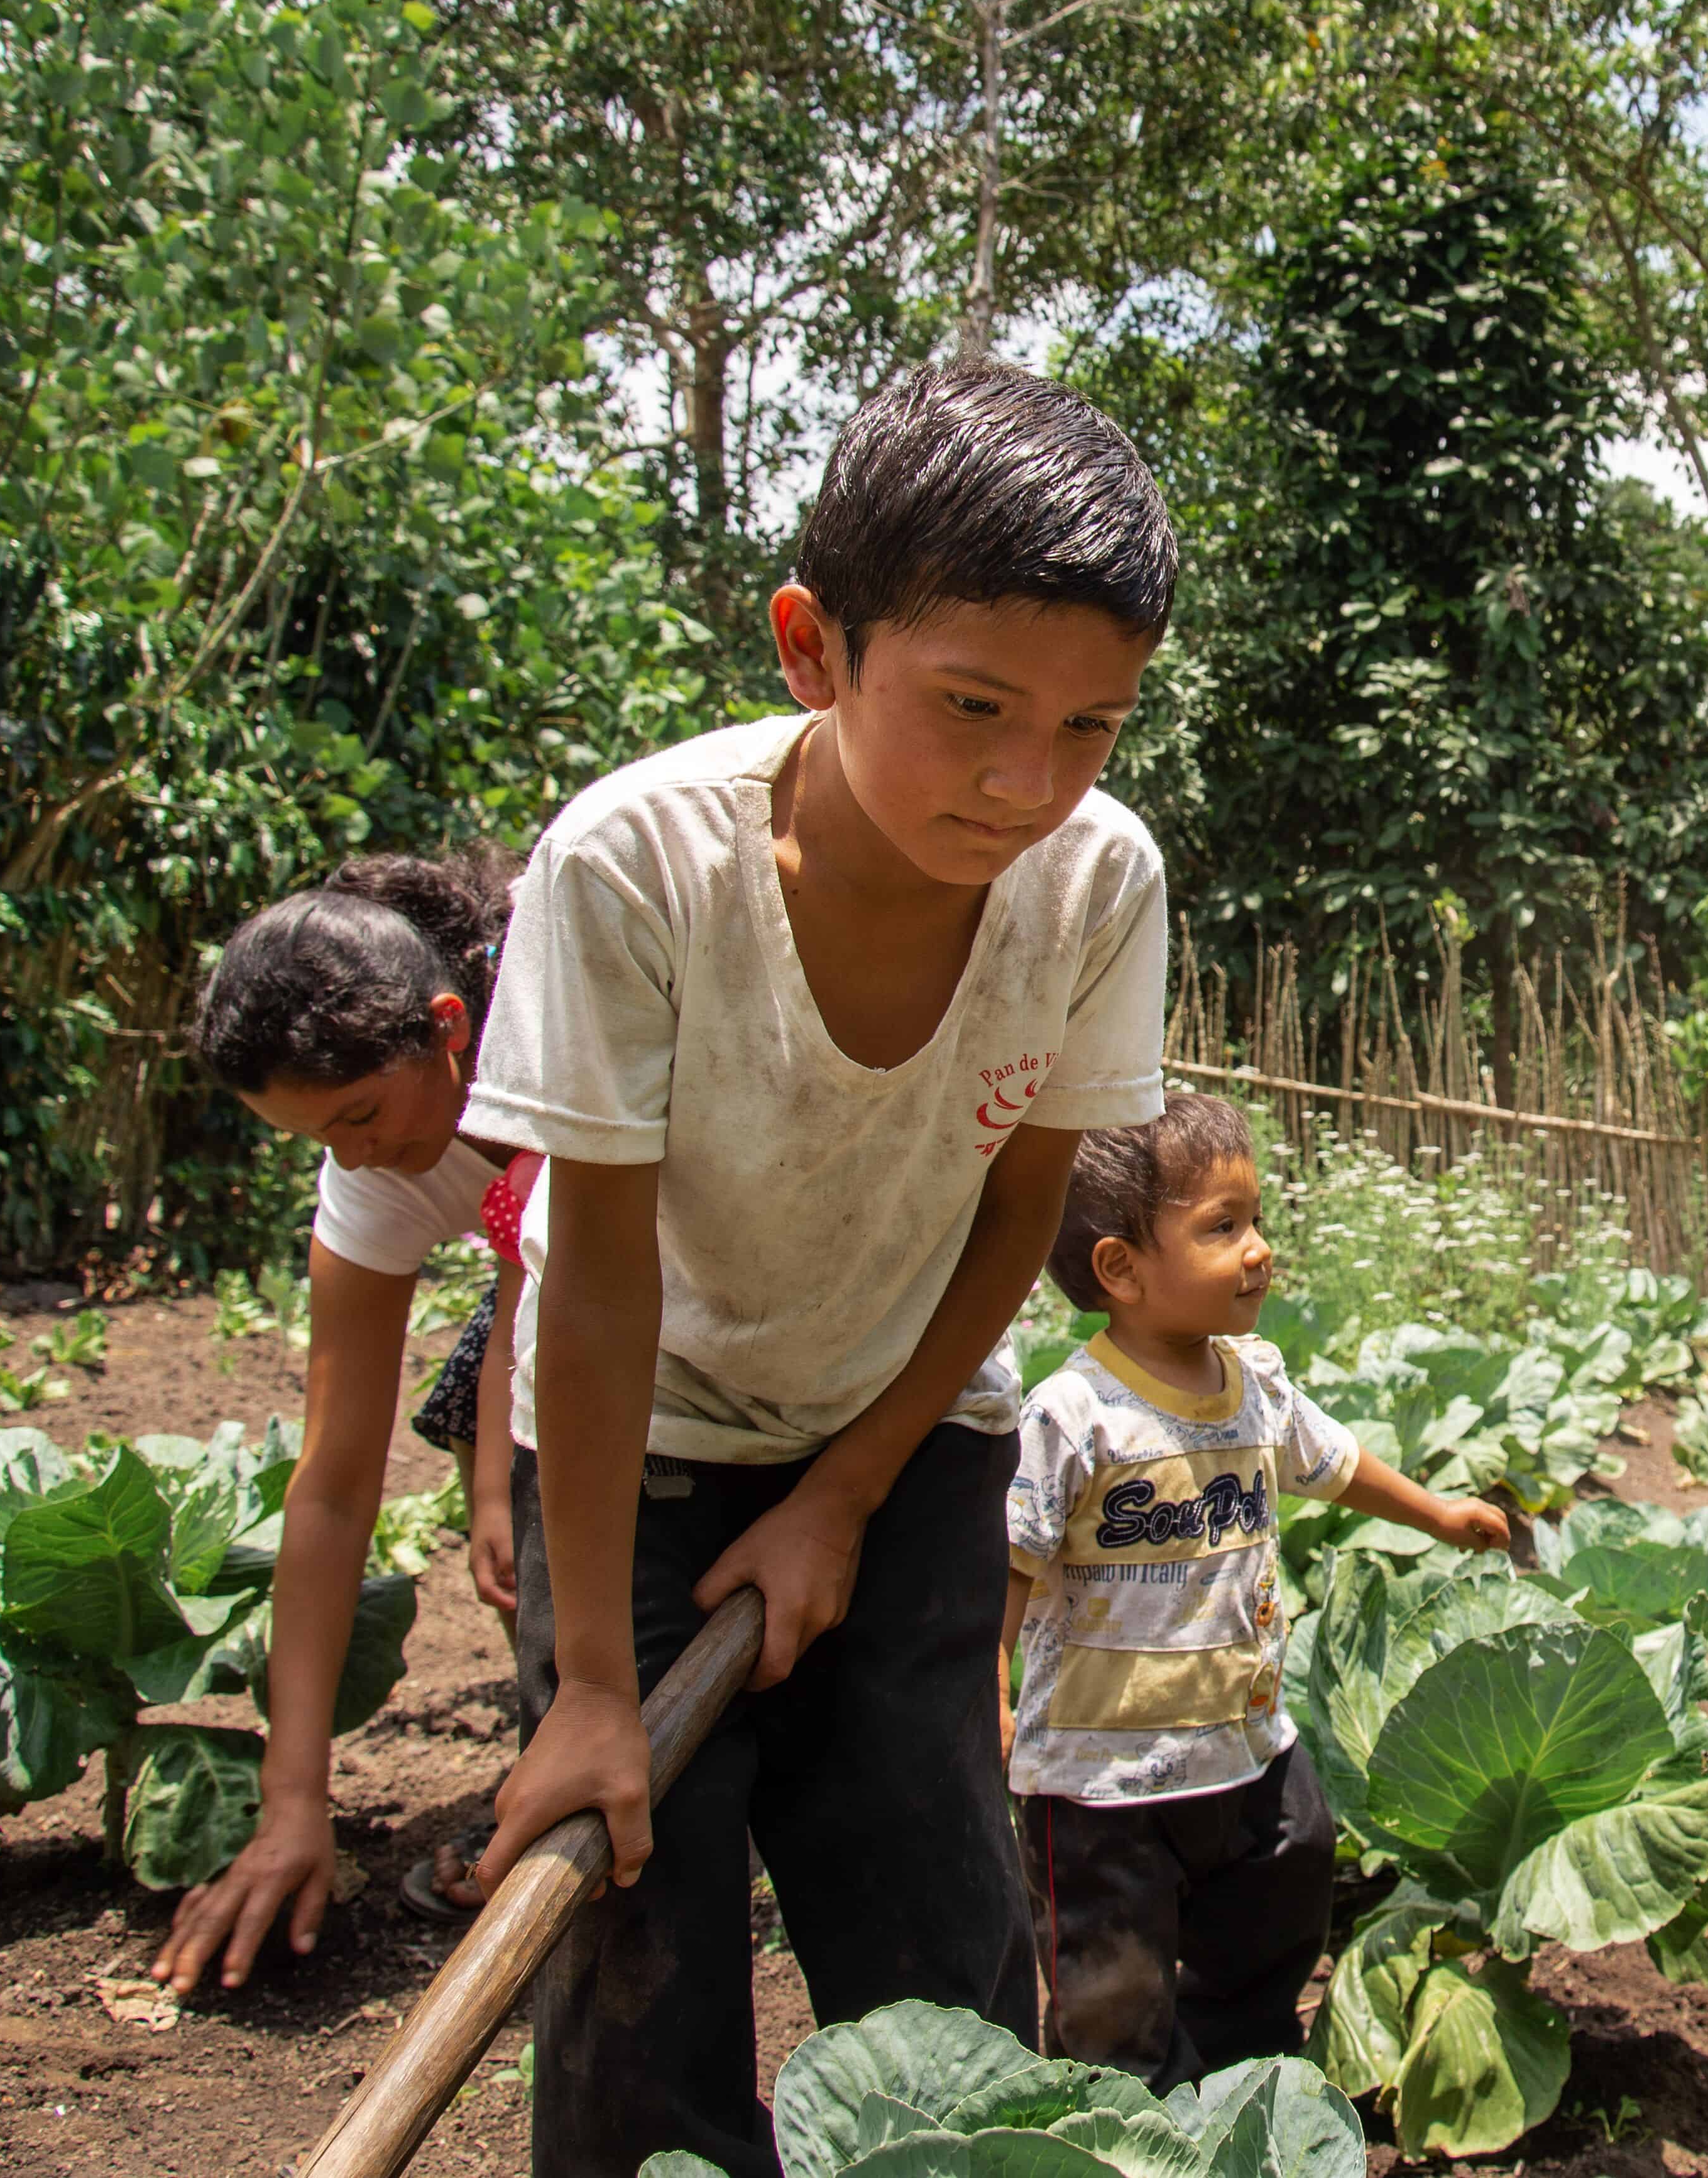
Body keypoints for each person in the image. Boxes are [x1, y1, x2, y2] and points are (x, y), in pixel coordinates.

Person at [464, 359, 1178, 2177]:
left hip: (912, 1409)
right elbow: (600, 1279)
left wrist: (849, 1486)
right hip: (641, 1422)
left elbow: (1021, 1206)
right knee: (639, 1919)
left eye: (1091, 726)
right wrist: (597, 1693)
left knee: (937, 1927)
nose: (1030, 782)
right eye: (971, 706)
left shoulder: (1097, 881)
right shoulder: (636, 865)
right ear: (811, 646)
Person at [1005, 1093, 1511, 2083]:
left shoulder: (1256, 1380)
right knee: (1112, 1990)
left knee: (1296, 1868)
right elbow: (1014, 1556)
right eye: (1222, 1226)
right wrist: (991, 1689)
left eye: (1258, 1219)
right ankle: (1120, 2116)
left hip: (1242, 1740)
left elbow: (1334, 1462)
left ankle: (1235, 2063)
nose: (1259, 1247)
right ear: (1121, 1267)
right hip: (1100, 1777)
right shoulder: (1075, 1415)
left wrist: (1440, 1514)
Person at [152, 847, 534, 1995]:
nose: (354, 1154)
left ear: (450, 1024)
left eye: (362, 1113)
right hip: (560, 1277)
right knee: (519, 1498)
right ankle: (567, 1738)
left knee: (553, 1480)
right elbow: (330, 1482)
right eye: (317, 1137)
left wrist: (503, 1475)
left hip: (730, 1255)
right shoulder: (373, 1167)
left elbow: (555, 1281)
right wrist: (292, 1798)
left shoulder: (579, 1026)